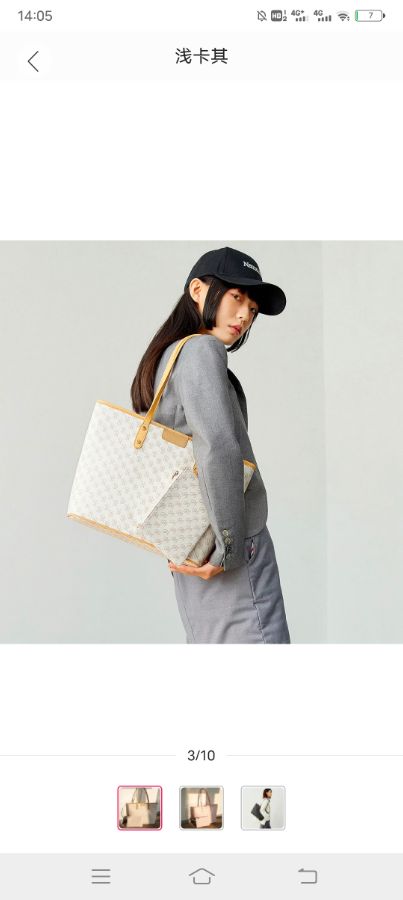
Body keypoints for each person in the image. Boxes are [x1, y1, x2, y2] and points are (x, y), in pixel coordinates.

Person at [131, 246, 290, 644]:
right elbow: (217, 447)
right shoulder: (201, 350)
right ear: (198, 290)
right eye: (236, 297)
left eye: (252, 309)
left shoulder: (168, 356)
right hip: (227, 547)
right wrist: (230, 547)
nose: (244, 315)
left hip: (192, 543)